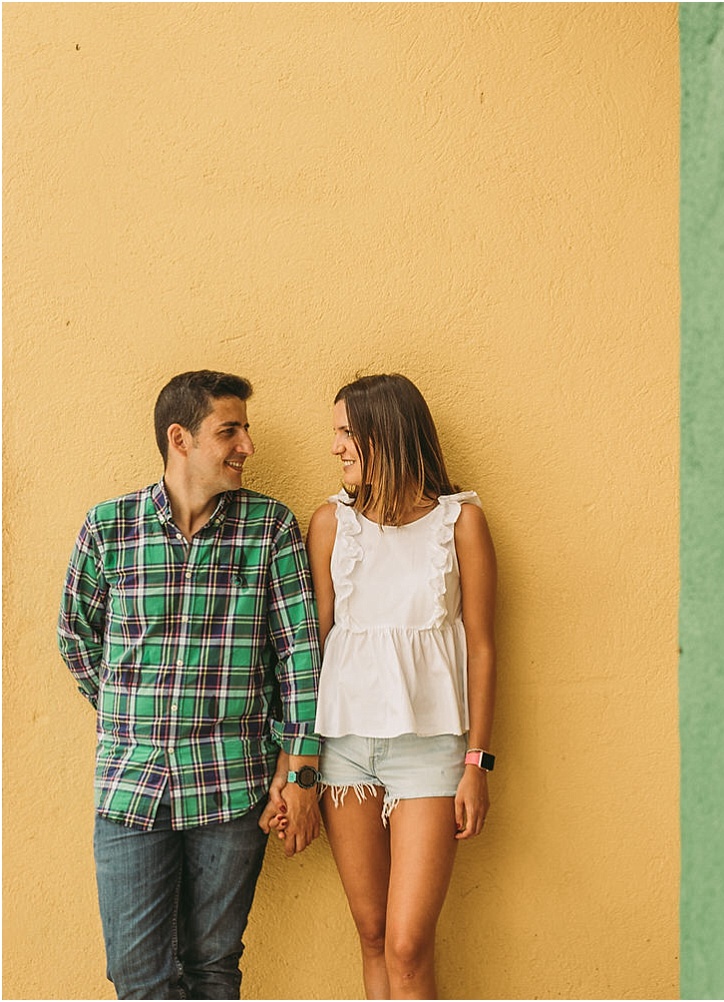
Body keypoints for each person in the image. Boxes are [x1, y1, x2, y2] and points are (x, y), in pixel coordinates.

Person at [57, 369, 322, 1000]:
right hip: (130, 783)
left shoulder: (270, 529)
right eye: (229, 430)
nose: (246, 447)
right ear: (180, 438)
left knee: (213, 966)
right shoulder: (109, 528)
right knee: (138, 977)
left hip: (233, 784)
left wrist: (302, 766)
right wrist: (123, 707)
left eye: (246, 430)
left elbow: (301, 654)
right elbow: (75, 635)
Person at [265, 372, 496, 999]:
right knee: (370, 932)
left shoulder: (461, 523)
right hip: (343, 751)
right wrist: (296, 767)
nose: (337, 446)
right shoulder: (330, 525)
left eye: (346, 432)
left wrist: (477, 763)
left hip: (429, 754)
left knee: (407, 943)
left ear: (383, 432)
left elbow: (481, 647)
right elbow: (310, 650)